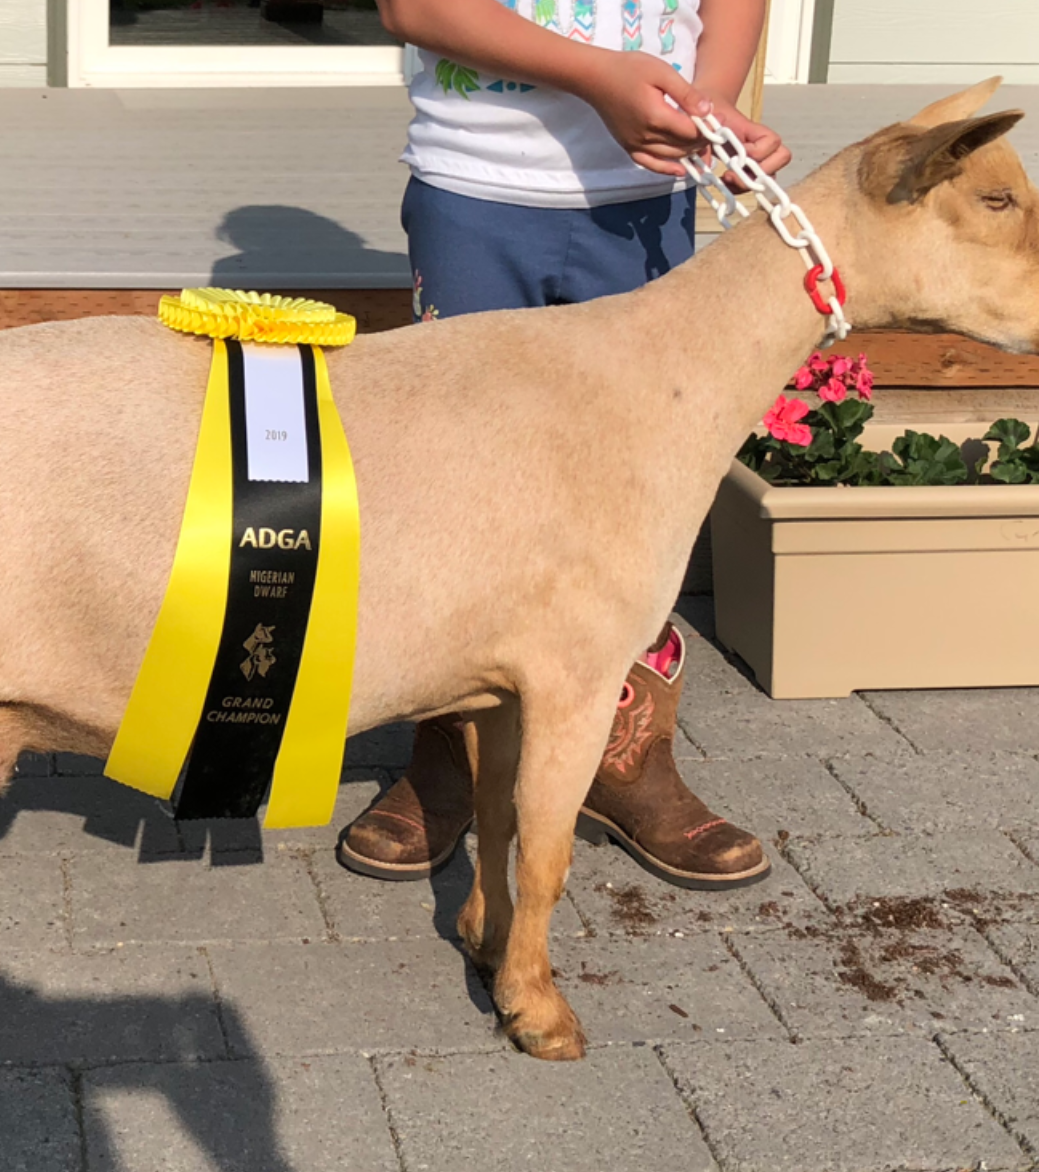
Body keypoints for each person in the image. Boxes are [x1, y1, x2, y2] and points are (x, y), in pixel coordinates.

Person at [336, 0, 790, 890]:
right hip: (478, 194)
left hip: (647, 203)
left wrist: (708, 108)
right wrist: (597, 75)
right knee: (462, 494)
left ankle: (626, 754)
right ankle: (452, 755)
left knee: (643, 491)